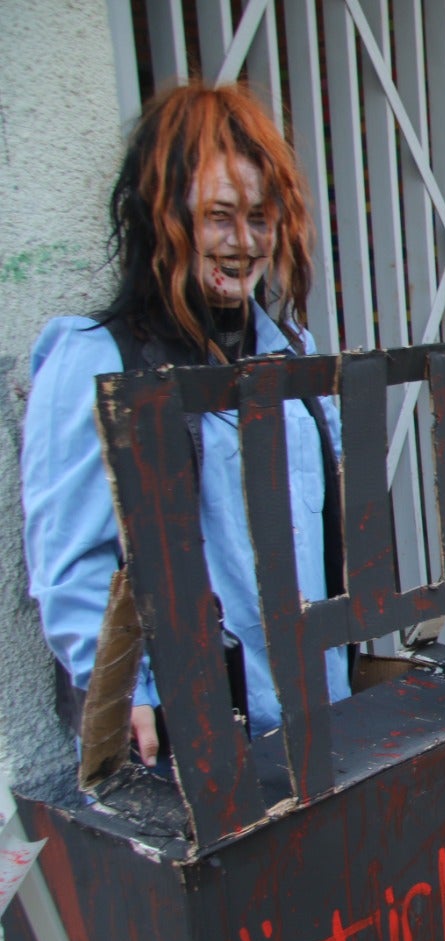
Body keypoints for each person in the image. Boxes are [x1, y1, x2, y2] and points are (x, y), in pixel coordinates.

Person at [23, 82, 347, 767]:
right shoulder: (96, 361)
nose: (244, 243)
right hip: (196, 732)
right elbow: (72, 565)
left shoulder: (291, 352)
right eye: (218, 216)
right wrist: (123, 692)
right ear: (161, 216)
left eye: (261, 217)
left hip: (319, 703)